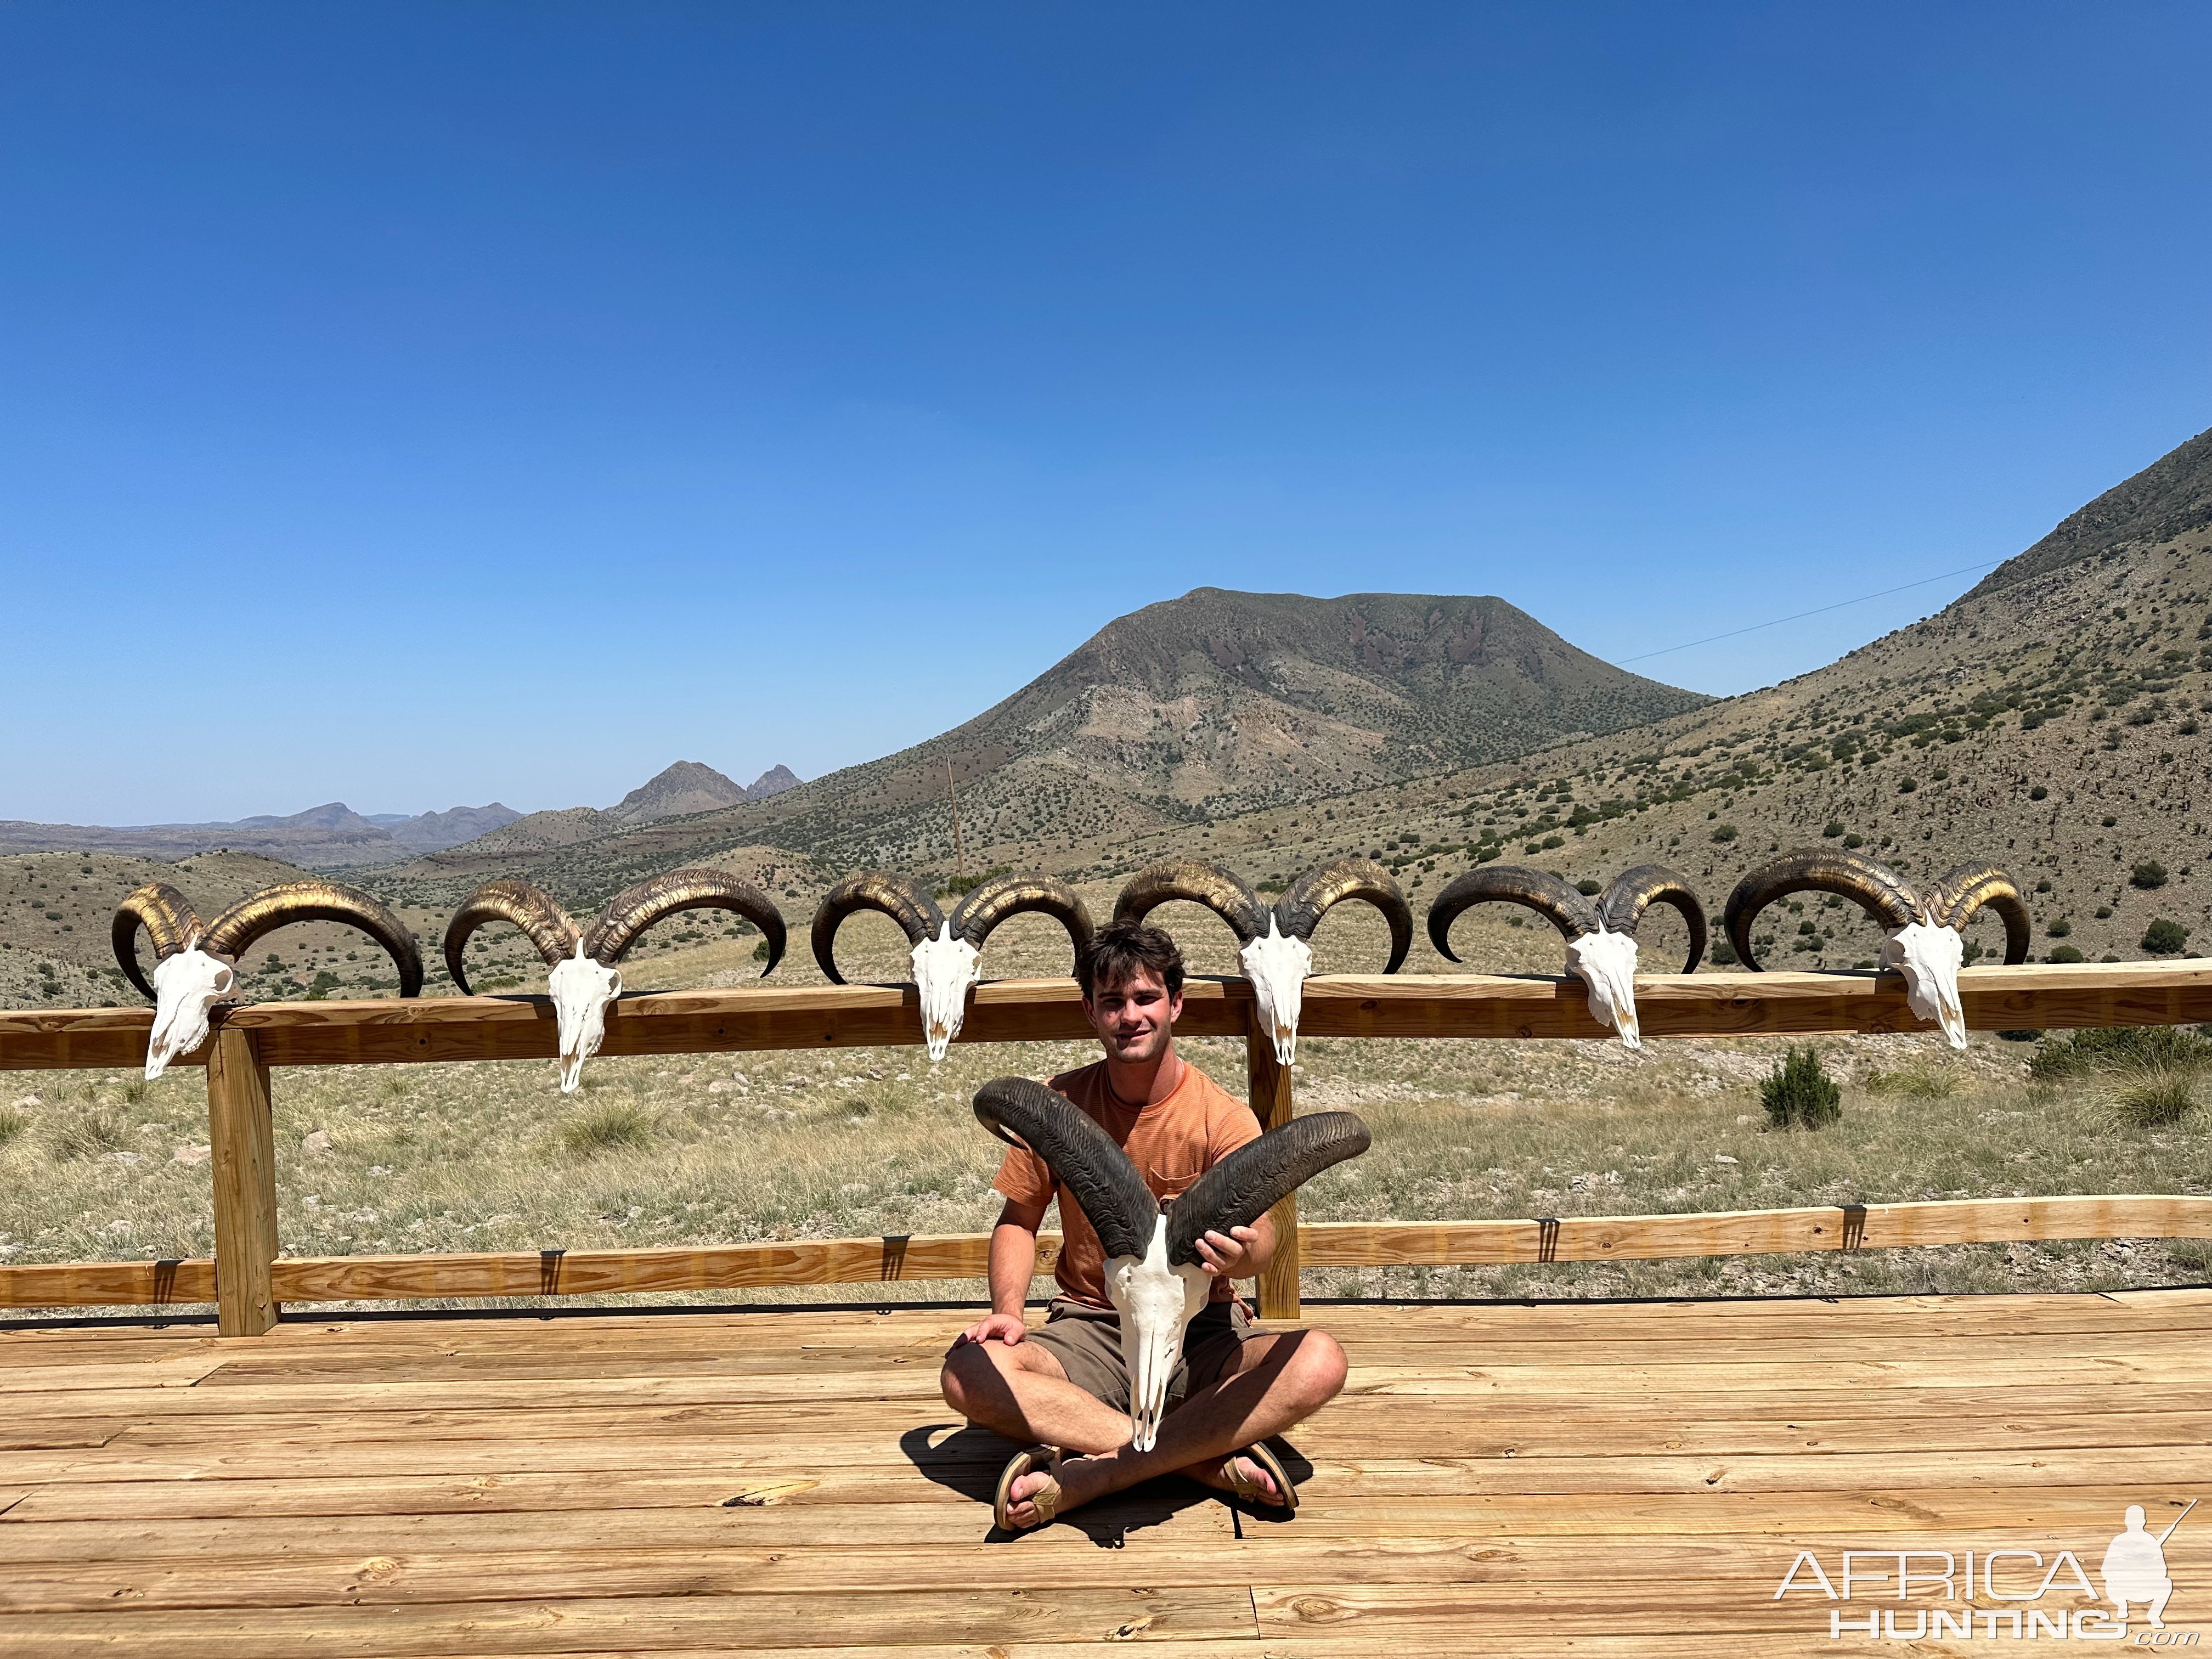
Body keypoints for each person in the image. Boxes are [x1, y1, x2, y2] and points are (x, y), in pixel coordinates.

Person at [938, 918, 1348, 1531]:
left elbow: (1264, 1238)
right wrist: (1008, 1310)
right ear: (1090, 1011)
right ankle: (1199, 1460)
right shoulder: (1060, 1105)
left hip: (1203, 1329)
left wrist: (1242, 1258)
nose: (1130, 1016)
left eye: (1145, 998)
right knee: (967, 1371)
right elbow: (1018, 1219)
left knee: (1320, 1361)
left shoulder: (1221, 1118)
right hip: (1093, 1327)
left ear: (1175, 1004)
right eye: (1112, 1002)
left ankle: (1098, 1471)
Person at [2101, 1504, 2175, 1628]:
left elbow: (2162, 1571)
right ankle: (2122, 1606)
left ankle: (2154, 1615)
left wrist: (2144, 1569)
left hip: (2146, 1589)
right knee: (2109, 1582)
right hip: (2122, 1588)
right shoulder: (2119, 1540)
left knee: (2166, 1583)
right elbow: (2106, 1568)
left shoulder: (2151, 1541)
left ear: (2144, 1522)